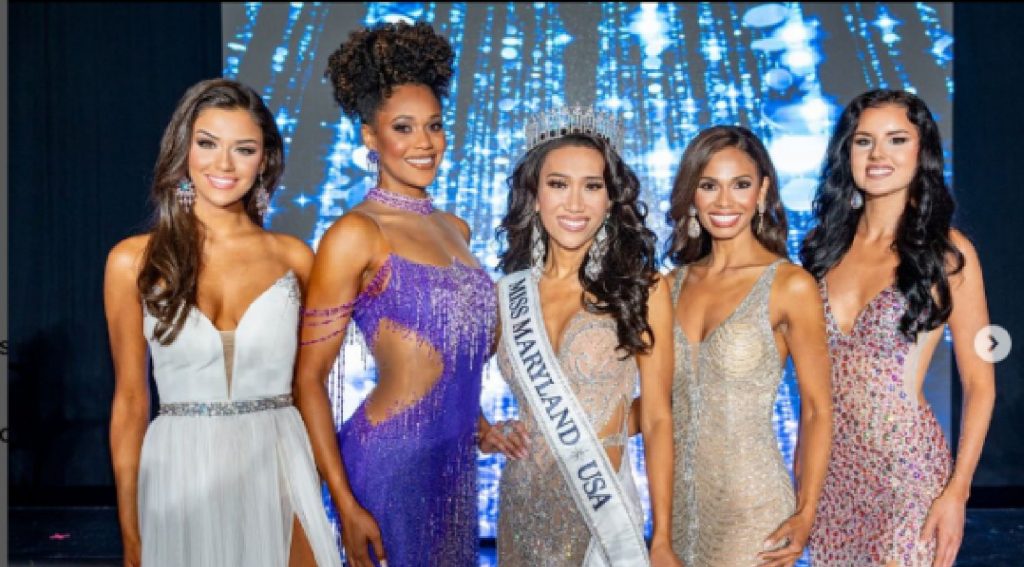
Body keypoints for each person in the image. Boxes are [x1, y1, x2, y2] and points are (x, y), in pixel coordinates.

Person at [104, 78, 341, 567]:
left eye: (244, 149)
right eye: (208, 143)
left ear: (264, 160)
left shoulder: (295, 258)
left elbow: (310, 388)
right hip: (180, 473)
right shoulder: (133, 261)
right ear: (184, 149)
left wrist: (320, 482)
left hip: (279, 463)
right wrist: (130, 531)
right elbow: (130, 401)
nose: (224, 165)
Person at [294, 21, 497, 567]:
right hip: (388, 465)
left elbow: (448, 352)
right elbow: (308, 379)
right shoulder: (356, 233)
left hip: (452, 470)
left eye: (434, 126)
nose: (424, 143)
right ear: (370, 136)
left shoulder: (456, 229)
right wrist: (344, 502)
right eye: (403, 128)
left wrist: (479, 425)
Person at [801, 89, 996, 567]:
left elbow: (981, 385)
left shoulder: (949, 254)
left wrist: (957, 492)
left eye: (896, 139)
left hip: (907, 474)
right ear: (846, 152)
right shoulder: (821, 250)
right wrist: (801, 482)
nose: (878, 155)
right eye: (864, 141)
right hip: (830, 475)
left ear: (921, 150)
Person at [485, 107, 682, 566]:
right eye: (558, 184)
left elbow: (657, 417)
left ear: (611, 200)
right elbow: (444, 380)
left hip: (602, 513)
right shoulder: (507, 294)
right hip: (522, 511)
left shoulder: (643, 289)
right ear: (534, 196)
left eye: (592, 186)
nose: (575, 204)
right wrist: (483, 431)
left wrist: (663, 537)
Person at [664, 125, 833, 567]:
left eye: (740, 185)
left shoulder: (790, 285)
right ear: (692, 195)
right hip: (678, 514)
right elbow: (661, 405)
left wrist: (806, 512)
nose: (724, 201)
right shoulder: (669, 286)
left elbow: (817, 410)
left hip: (755, 511)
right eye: (709, 186)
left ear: (762, 192)